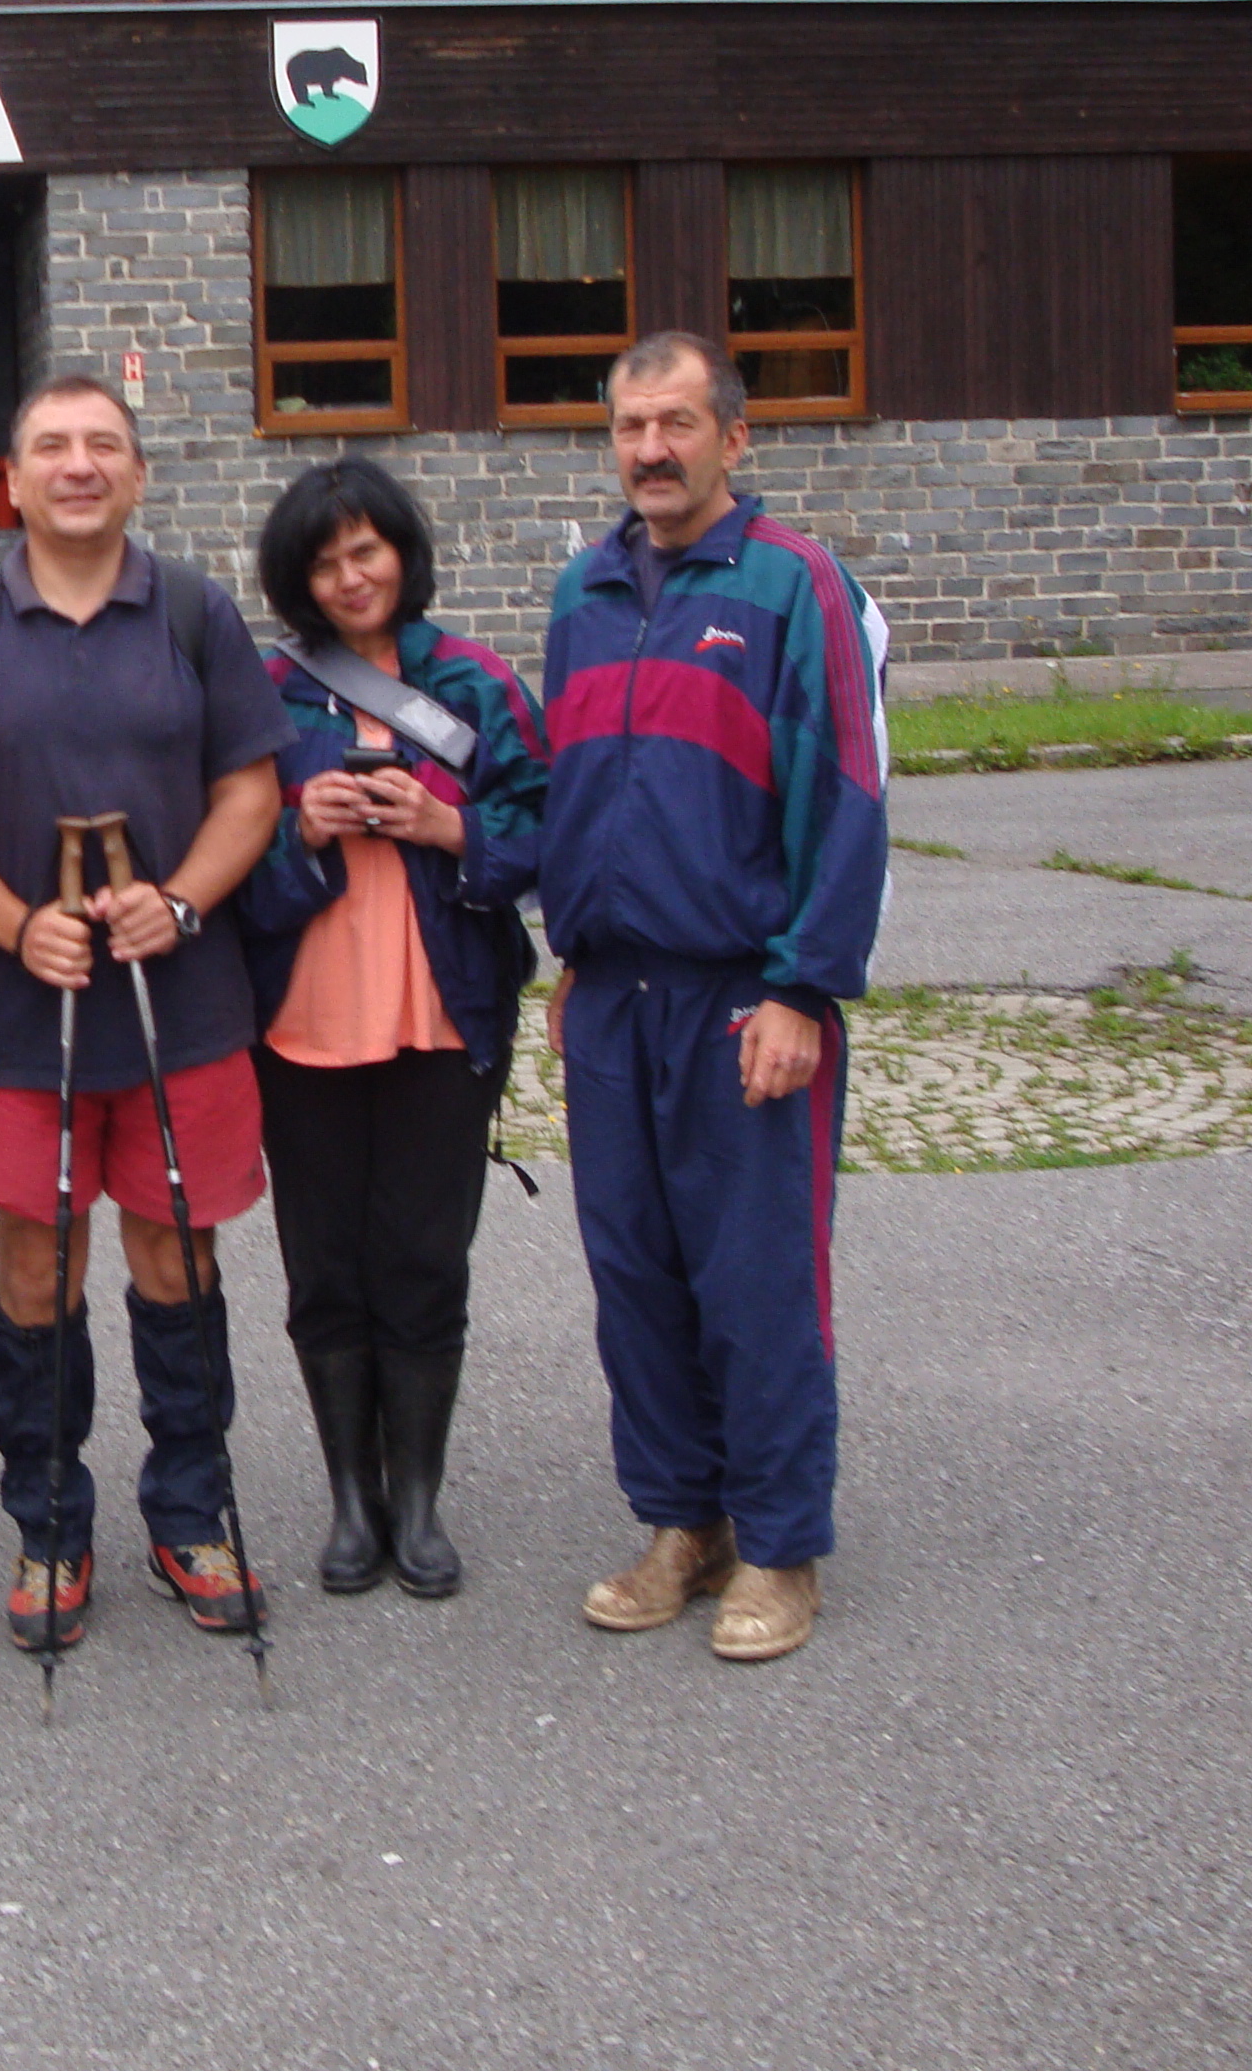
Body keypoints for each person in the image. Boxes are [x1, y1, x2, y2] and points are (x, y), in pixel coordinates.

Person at [0, 375, 292, 1651]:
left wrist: (185, 900)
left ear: (139, 475)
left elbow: (252, 791)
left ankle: (191, 1513)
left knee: (176, 1259)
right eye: (51, 445)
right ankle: (49, 1521)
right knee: (36, 1264)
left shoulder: (198, 615)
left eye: (105, 444)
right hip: (22, 1013)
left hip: (183, 1007)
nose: (80, 464)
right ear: (13, 480)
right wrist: (10, 922)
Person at [536, 330, 888, 1664]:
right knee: (636, 1275)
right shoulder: (584, 593)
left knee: (757, 1281)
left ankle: (782, 1545)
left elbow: (849, 795)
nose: (652, 450)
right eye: (631, 428)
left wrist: (803, 987)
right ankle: (686, 1525)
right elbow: (580, 791)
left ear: (733, 438)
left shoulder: (798, 587)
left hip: (746, 996)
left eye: (677, 424)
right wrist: (574, 956)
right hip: (615, 1000)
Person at [235, 457, 547, 1598]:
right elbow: (225, 864)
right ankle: (351, 1503)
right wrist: (302, 829)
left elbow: (548, 825)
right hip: (302, 1020)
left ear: (403, 554)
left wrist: (447, 826)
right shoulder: (266, 693)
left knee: (423, 1260)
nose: (349, 576)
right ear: (297, 580)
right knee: (325, 1266)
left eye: (365, 550)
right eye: (324, 562)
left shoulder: (474, 681)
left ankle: (417, 1499)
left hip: (440, 1014)